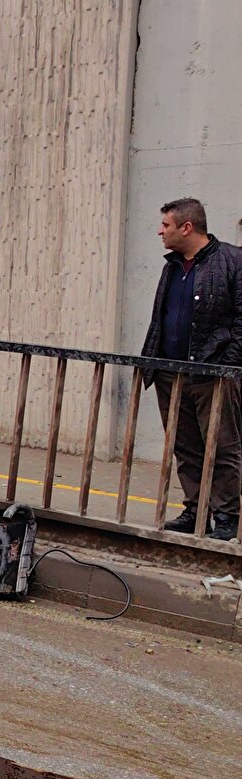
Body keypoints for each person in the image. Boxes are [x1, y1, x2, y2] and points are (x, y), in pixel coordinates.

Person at [140, 198, 242, 541]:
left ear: (187, 227)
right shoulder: (172, 267)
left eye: (166, 225)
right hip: (171, 373)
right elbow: (160, 318)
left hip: (213, 375)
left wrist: (227, 367)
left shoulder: (233, 261)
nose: (160, 231)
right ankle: (196, 510)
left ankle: (227, 516)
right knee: (185, 447)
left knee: (223, 446)